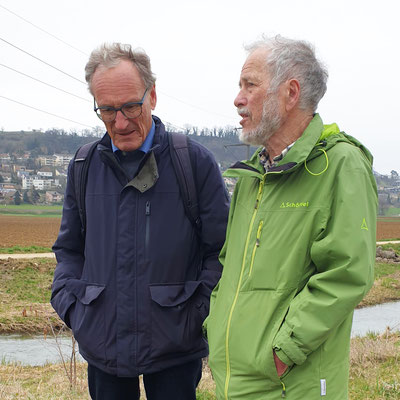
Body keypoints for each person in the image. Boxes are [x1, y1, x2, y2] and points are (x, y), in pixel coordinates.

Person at [51, 43, 229, 400]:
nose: (120, 122)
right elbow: (69, 250)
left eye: (131, 106)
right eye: (107, 110)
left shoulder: (192, 163)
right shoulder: (84, 166)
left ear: (153, 96)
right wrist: (75, 310)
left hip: (176, 349)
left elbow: (222, 253)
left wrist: (197, 315)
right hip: (103, 345)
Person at [204, 35, 377, 399]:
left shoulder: (341, 165)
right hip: (233, 381)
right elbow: (229, 266)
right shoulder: (253, 176)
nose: (238, 99)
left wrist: (283, 352)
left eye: (250, 85)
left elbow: (347, 273)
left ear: (291, 93)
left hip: (290, 385)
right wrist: (215, 327)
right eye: (240, 86)